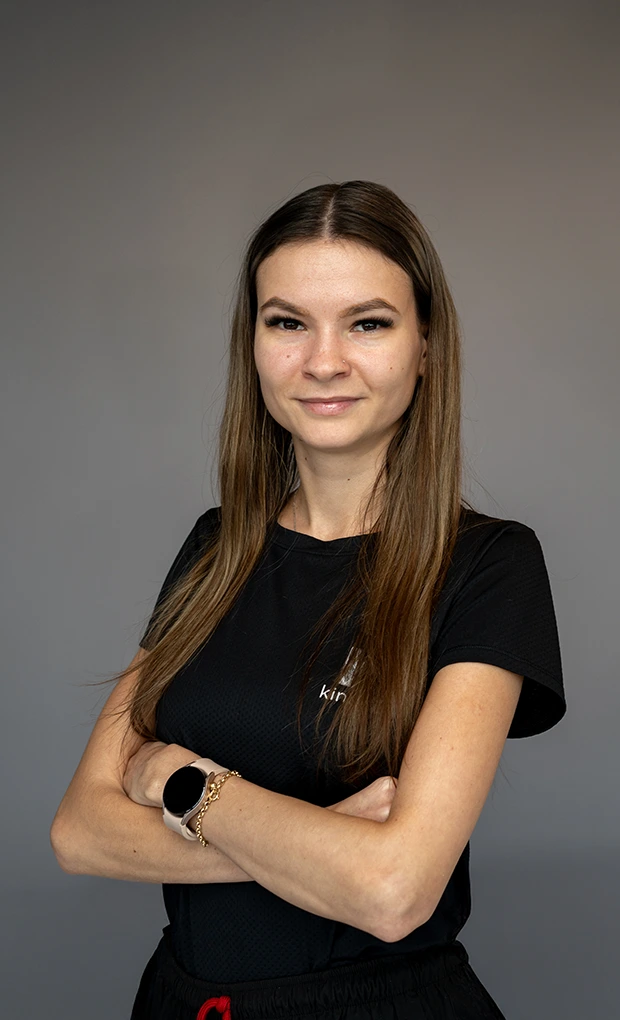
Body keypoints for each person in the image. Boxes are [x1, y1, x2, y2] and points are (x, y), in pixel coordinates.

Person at [51, 180, 566, 1020]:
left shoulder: (488, 567)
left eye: (368, 323)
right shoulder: (217, 548)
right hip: (181, 1003)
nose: (323, 361)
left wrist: (180, 781)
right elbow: (79, 832)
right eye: (288, 322)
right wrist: (326, 842)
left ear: (426, 347)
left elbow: (393, 892)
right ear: (253, 345)